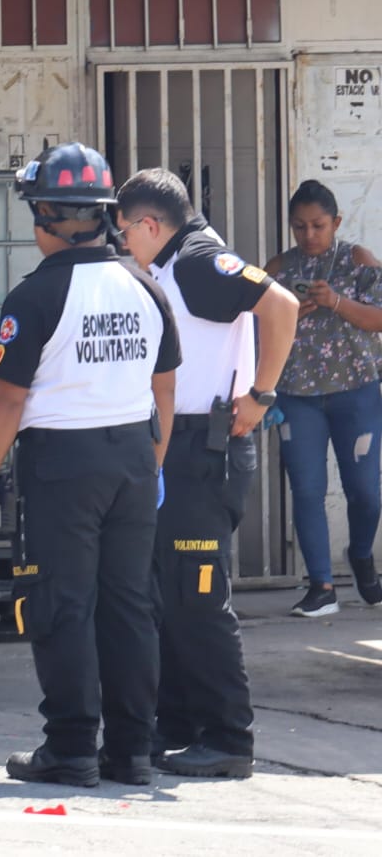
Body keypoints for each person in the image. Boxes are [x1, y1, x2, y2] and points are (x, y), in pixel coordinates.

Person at [0, 142, 180, 788]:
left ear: (46, 216)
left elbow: (6, 398)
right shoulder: (146, 286)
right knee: (129, 605)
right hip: (133, 459)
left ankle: (71, 747)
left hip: (63, 464)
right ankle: (132, 750)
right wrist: (155, 462)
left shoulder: (35, 296)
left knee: (62, 604)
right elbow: (164, 387)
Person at [116, 169, 298, 780]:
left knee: (197, 599)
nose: (122, 243)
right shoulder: (175, 260)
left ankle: (227, 737)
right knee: (168, 596)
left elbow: (281, 304)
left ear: (149, 224)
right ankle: (178, 723)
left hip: (205, 449)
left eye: (125, 231)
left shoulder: (197, 259)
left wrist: (262, 394)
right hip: (180, 445)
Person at [265, 180, 382, 617]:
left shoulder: (357, 260)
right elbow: (251, 325)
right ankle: (322, 586)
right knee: (307, 489)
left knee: (365, 492)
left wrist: (335, 301)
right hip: (297, 396)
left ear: (336, 222)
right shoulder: (279, 267)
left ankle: (361, 556)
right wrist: (288, 314)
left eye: (317, 225)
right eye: (299, 226)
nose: (309, 235)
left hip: (357, 392)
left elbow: (379, 319)